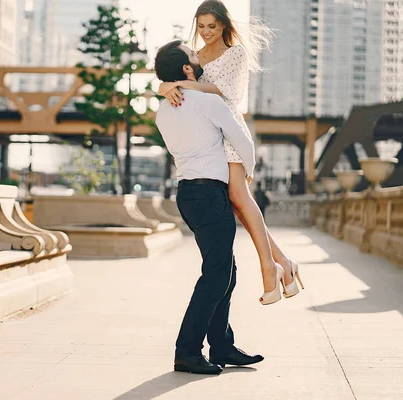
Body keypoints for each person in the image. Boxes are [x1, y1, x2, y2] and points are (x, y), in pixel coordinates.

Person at [158, 0, 304, 305]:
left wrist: (179, 84)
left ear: (224, 24)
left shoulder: (235, 53)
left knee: (239, 198)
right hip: (209, 135)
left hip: (229, 132)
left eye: (213, 26)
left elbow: (230, 95)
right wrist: (165, 87)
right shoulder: (194, 56)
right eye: (201, 26)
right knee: (237, 205)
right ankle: (284, 265)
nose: (207, 32)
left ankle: (271, 269)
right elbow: (173, 81)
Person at [155, 40, 264, 375]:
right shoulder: (207, 101)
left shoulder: (163, 109)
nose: (197, 57)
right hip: (210, 194)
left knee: (224, 273)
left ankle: (222, 345)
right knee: (217, 276)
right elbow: (243, 141)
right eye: (192, 57)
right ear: (187, 70)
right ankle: (187, 350)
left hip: (188, 194)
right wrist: (248, 172)